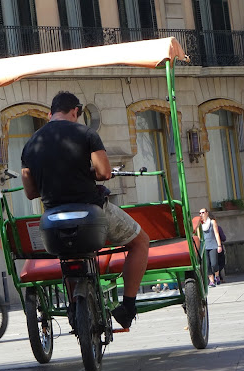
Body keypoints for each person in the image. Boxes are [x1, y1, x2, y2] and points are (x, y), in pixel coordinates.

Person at [21, 91, 150, 329]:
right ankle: (128, 306)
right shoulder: (86, 133)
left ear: (50, 113)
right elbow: (104, 173)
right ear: (75, 112)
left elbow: (30, 192)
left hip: (54, 217)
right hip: (90, 210)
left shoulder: (31, 144)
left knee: (68, 257)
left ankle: (73, 310)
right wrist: (85, 173)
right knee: (140, 242)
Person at [197, 208, 223, 287]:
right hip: (204, 247)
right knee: (207, 265)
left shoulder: (212, 222)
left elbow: (216, 233)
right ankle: (211, 281)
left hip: (213, 245)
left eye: (203, 212)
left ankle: (217, 276)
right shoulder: (200, 224)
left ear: (207, 213)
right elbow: (199, 237)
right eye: (200, 213)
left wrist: (219, 245)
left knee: (214, 264)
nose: (201, 214)